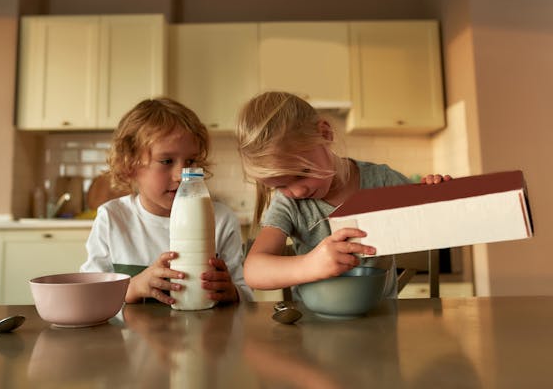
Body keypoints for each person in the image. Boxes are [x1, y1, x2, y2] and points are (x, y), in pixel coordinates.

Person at [235, 91, 450, 298]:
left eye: (303, 173)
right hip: (314, 329)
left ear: (325, 134)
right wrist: (310, 265)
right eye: (280, 186)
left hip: (382, 323)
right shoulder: (288, 204)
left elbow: (436, 220)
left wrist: (438, 194)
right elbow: (254, 270)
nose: (298, 191)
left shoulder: (382, 180)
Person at [81, 97, 253, 304]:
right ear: (129, 165)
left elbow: (247, 296)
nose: (182, 174)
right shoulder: (112, 218)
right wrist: (133, 287)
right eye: (166, 161)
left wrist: (232, 293)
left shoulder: (221, 219)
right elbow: (89, 295)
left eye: (190, 161)